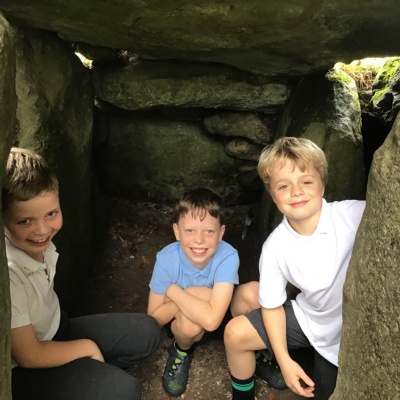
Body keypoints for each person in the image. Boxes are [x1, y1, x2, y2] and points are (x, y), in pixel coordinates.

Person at [3, 147, 161, 400]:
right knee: (125, 391)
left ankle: (88, 378)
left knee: (147, 331)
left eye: (51, 214)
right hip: (24, 369)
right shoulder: (9, 273)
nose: (42, 230)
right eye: (25, 221)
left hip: (56, 328)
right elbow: (28, 355)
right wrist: (87, 348)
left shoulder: (34, 243)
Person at [224, 137, 366, 400]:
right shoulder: (275, 247)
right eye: (283, 186)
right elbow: (272, 307)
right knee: (234, 334)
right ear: (272, 194)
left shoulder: (353, 215)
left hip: (353, 331)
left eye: (306, 181)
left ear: (323, 182)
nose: (297, 191)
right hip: (312, 320)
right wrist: (285, 361)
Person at [147, 187, 240, 396]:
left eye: (209, 231)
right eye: (190, 230)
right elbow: (153, 319)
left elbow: (212, 321)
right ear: (176, 231)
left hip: (221, 320)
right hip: (184, 325)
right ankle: (182, 350)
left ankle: (251, 348)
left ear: (221, 233)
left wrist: (176, 291)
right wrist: (193, 298)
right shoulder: (166, 259)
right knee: (190, 325)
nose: (199, 240)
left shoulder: (228, 255)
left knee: (252, 293)